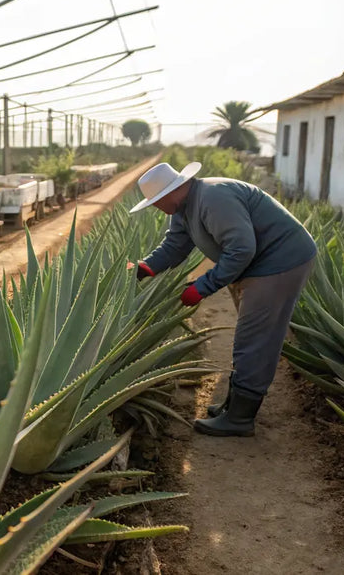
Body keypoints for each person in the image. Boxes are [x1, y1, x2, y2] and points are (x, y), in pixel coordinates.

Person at [129, 162, 317, 437]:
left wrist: (203, 287)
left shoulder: (213, 198)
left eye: (156, 201)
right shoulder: (184, 207)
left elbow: (241, 249)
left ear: (172, 192)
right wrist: (145, 268)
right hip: (258, 265)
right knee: (248, 336)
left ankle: (240, 419)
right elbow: (174, 246)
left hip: (280, 262)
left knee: (254, 338)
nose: (156, 207)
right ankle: (234, 406)